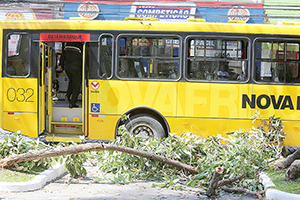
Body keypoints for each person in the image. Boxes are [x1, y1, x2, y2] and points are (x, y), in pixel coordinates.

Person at [57, 42, 83, 108]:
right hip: (76, 67)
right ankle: (72, 103)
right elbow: (84, 57)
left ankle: (68, 95)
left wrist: (61, 65)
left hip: (67, 68)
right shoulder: (80, 45)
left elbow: (63, 56)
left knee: (72, 81)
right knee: (77, 85)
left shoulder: (67, 45)